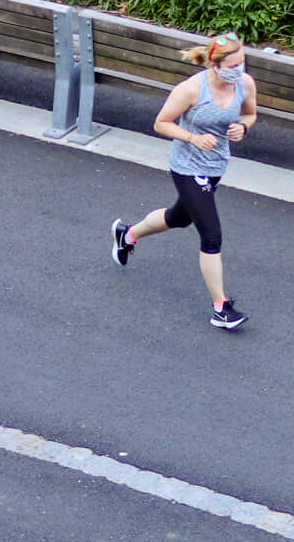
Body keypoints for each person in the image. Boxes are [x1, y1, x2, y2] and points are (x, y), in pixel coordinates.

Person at [110, 31, 258, 331]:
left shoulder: (245, 84)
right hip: (188, 167)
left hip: (217, 165)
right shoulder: (191, 90)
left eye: (242, 63)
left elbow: (251, 114)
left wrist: (242, 128)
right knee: (211, 235)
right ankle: (220, 308)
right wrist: (192, 137)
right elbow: (161, 123)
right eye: (233, 65)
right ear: (214, 65)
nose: (239, 70)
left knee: (179, 218)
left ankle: (126, 235)